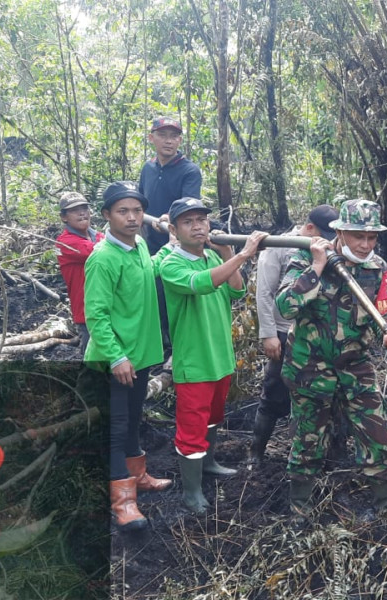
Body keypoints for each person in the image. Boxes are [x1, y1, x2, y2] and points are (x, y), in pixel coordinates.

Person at [276, 199, 387, 523]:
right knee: (309, 442)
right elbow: (285, 305)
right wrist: (317, 268)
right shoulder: (306, 256)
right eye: (357, 236)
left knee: (379, 437)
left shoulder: (379, 268)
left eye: (371, 237)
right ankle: (299, 509)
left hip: (354, 366)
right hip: (309, 367)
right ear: (340, 232)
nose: (365, 245)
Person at [152, 197, 268, 514]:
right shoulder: (170, 264)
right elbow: (202, 285)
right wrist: (244, 254)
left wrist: (229, 253)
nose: (198, 226)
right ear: (174, 229)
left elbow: (236, 291)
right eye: (188, 222)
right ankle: (191, 492)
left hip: (220, 358)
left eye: (202, 220)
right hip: (194, 363)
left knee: (213, 418)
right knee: (191, 431)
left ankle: (210, 463)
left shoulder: (210, 259)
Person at [84, 181, 170, 532]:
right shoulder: (103, 258)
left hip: (141, 355)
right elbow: (96, 315)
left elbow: (151, 270)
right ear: (107, 215)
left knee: (134, 419)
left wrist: (174, 246)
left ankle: (139, 477)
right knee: (116, 429)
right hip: (112, 361)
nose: (132, 217)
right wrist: (117, 357)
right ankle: (123, 503)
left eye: (137, 210)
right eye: (123, 211)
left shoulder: (139, 247)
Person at [249, 204, 338, 464]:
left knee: (318, 396)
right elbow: (264, 293)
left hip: (318, 335)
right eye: (322, 236)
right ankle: (255, 452)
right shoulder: (279, 246)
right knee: (274, 391)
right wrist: (268, 334)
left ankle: (314, 454)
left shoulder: (328, 249)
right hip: (283, 331)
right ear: (310, 228)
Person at [138, 116, 203, 352]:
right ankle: (158, 342)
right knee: (151, 291)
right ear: (151, 138)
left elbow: (190, 205)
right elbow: (140, 201)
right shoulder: (148, 168)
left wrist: (169, 217)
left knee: (173, 293)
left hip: (178, 245)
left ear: (180, 140)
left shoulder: (189, 170)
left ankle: (177, 346)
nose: (169, 141)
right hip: (149, 243)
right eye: (163, 135)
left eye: (174, 136)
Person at [54, 191, 104, 353]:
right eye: (75, 210)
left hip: (110, 308)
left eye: (84, 208)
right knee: (94, 363)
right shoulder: (65, 242)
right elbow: (102, 252)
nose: (82, 213)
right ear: (64, 217)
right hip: (88, 313)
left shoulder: (99, 236)